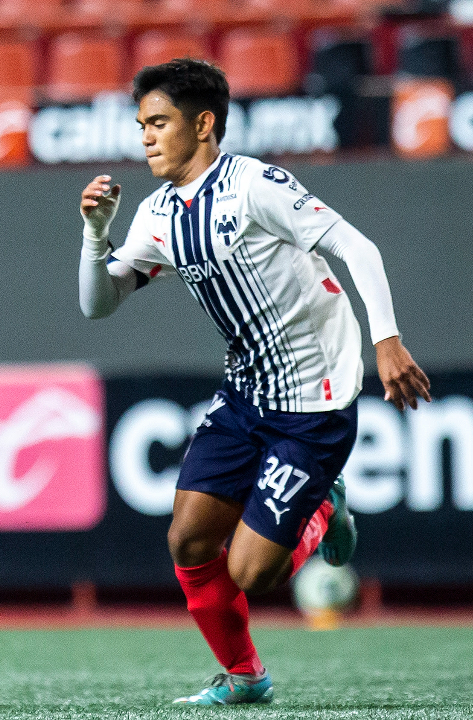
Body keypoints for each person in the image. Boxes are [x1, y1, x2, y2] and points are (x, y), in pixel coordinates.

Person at [77, 58, 430, 705]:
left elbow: (358, 248)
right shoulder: (158, 214)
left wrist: (387, 341)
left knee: (250, 571)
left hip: (315, 399)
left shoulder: (255, 186)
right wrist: (95, 235)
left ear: (203, 123)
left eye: (158, 122)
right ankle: (245, 677)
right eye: (141, 125)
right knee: (186, 538)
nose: (146, 137)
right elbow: (98, 304)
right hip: (246, 393)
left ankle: (322, 507)